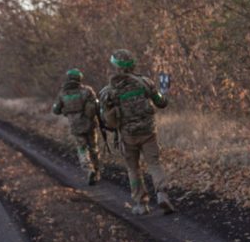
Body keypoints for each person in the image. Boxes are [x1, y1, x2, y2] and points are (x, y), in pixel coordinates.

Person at [99, 49, 175, 215]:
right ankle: (162, 194)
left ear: (115, 67)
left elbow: (104, 118)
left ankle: (141, 204)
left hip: (127, 136)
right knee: (154, 164)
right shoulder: (145, 82)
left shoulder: (108, 91)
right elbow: (161, 103)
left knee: (133, 169)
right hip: (148, 132)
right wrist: (164, 92)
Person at [52, 68, 101, 185]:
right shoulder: (87, 91)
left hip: (75, 126)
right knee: (93, 148)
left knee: (82, 149)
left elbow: (56, 110)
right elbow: (97, 105)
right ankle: (97, 171)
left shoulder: (63, 93)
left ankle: (89, 169)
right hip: (90, 125)